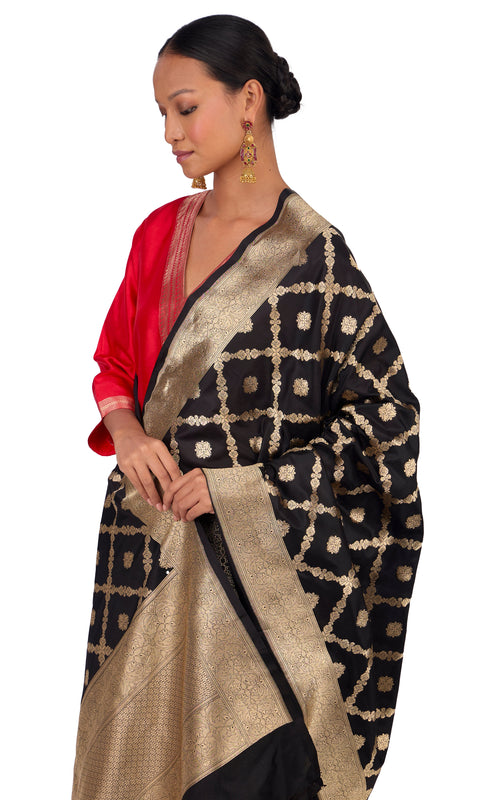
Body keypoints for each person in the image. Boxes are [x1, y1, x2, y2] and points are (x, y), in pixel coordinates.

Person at [72, 14, 423, 800]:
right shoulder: (158, 234)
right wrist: (126, 433)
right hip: (147, 556)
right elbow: (114, 364)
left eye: (185, 108)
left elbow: (386, 422)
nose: (169, 133)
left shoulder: (317, 259)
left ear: (249, 101)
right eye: (161, 113)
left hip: (260, 591)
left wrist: (242, 488)